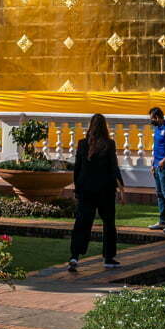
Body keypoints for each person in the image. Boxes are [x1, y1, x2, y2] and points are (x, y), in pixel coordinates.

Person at [68, 114, 124, 272]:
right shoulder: (109, 144)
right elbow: (114, 168)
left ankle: (74, 256)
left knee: (82, 223)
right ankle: (108, 257)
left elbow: (77, 169)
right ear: (105, 127)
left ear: (91, 126)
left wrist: (77, 189)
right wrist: (121, 189)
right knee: (108, 224)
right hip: (105, 190)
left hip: (86, 189)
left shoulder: (82, 144)